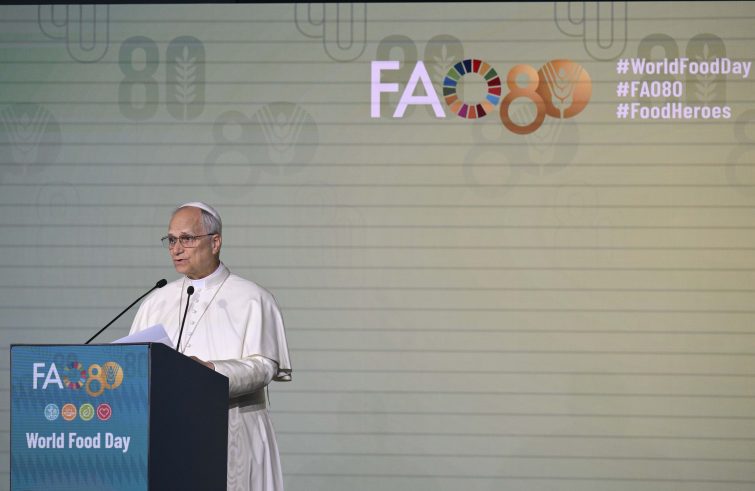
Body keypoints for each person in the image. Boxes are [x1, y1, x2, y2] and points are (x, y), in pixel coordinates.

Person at [129, 202, 292, 491]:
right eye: (171, 240)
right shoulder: (156, 301)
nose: (176, 249)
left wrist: (210, 372)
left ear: (215, 242)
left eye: (187, 239)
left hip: (234, 430)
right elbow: (135, 364)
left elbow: (265, 366)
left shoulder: (252, 298)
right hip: (168, 435)